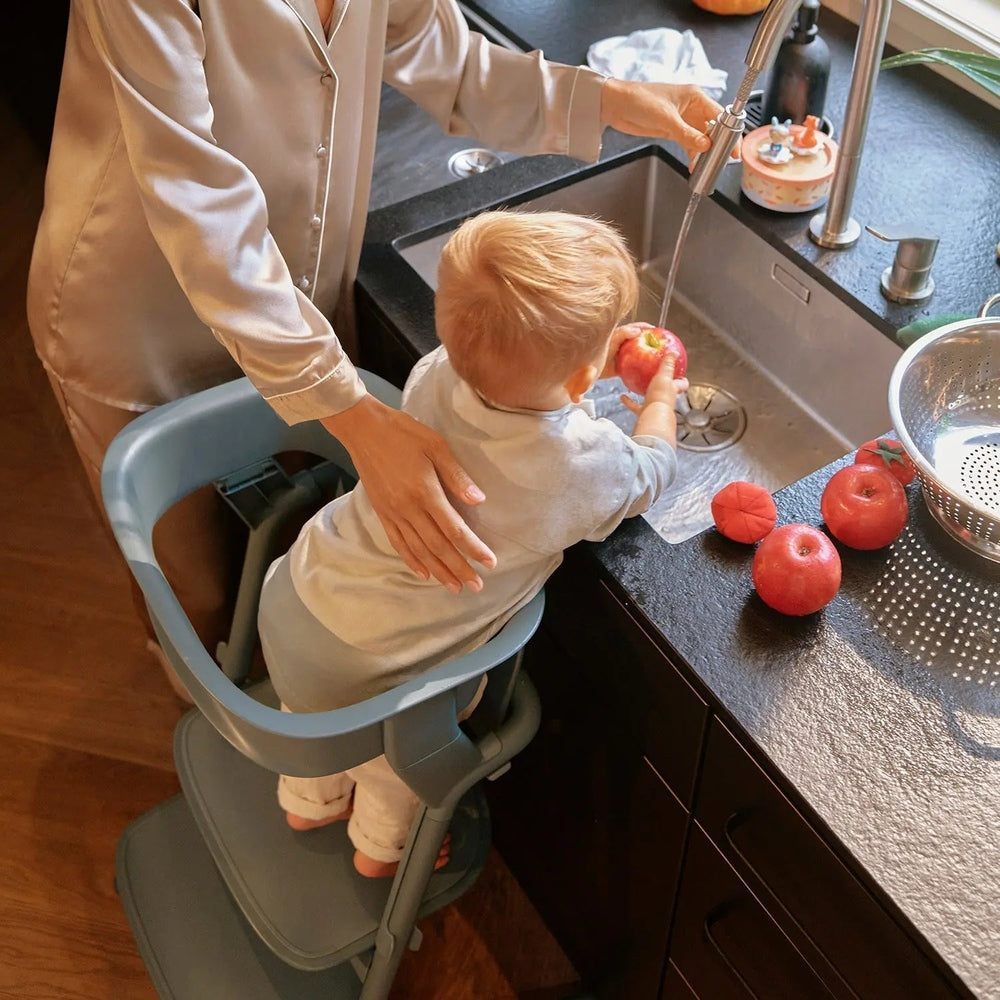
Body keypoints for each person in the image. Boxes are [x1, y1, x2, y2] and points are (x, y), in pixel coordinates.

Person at [26, 0, 720, 694]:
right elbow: (193, 192)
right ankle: (232, 730)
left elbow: (440, 54)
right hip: (138, 312)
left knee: (297, 530)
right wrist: (350, 412)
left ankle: (305, 720)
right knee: (195, 589)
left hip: (297, 302)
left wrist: (604, 99)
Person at [257, 209, 688, 876]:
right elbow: (646, 474)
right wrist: (661, 402)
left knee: (312, 718)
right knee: (392, 768)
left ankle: (308, 799)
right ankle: (381, 850)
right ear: (583, 379)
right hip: (374, 671)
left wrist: (579, 362)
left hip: (297, 598)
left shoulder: (438, 371)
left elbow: (513, 382)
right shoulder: (579, 467)